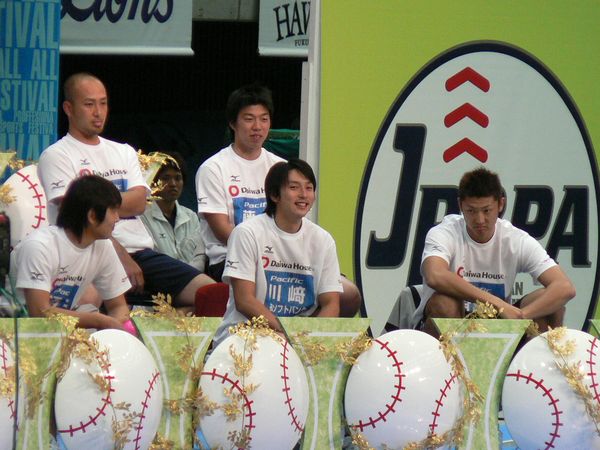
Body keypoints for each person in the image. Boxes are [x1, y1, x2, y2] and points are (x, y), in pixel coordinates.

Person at [37, 72, 214, 308]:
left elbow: (139, 203)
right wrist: (119, 254)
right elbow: (77, 213)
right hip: (85, 252)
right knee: (88, 303)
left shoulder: (123, 151)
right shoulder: (56, 155)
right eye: (89, 104)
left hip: (140, 253)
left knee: (213, 295)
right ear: (69, 108)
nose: (98, 112)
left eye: (103, 103)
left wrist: (93, 203)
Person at [196, 84, 361, 316]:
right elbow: (222, 230)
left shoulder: (280, 167)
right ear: (233, 123)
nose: (257, 127)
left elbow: (295, 225)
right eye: (249, 119)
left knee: (349, 294)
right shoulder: (214, 168)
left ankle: (304, 335)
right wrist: (269, 254)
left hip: (288, 258)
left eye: (264, 119)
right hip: (232, 258)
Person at [414, 166, 576, 337]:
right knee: (445, 303)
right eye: (471, 211)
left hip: (500, 326)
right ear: (460, 205)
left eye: (486, 210)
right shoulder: (444, 232)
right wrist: (497, 304)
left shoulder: (516, 239)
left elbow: (565, 287)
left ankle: (536, 355)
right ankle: (443, 355)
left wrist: (521, 316)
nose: (479, 220)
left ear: (500, 204)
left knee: (553, 305)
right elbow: (435, 275)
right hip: (456, 324)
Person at [213, 159, 342, 346]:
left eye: (309, 188)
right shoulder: (247, 233)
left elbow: (331, 303)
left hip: (298, 341)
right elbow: (244, 300)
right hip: (245, 337)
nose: (303, 194)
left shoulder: (323, 240)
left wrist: (313, 342)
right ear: (275, 195)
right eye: (294, 187)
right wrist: (287, 335)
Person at [11, 175, 131, 330]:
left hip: (63, 332)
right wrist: (98, 321)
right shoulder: (39, 246)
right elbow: (39, 313)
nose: (117, 218)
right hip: (18, 332)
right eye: (113, 211)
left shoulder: (103, 246)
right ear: (92, 216)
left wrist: (115, 330)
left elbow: (118, 306)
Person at [141, 151, 206, 272]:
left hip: (193, 276)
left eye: (178, 178)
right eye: (165, 178)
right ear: (153, 182)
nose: (173, 184)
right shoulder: (142, 216)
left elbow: (200, 255)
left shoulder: (191, 216)